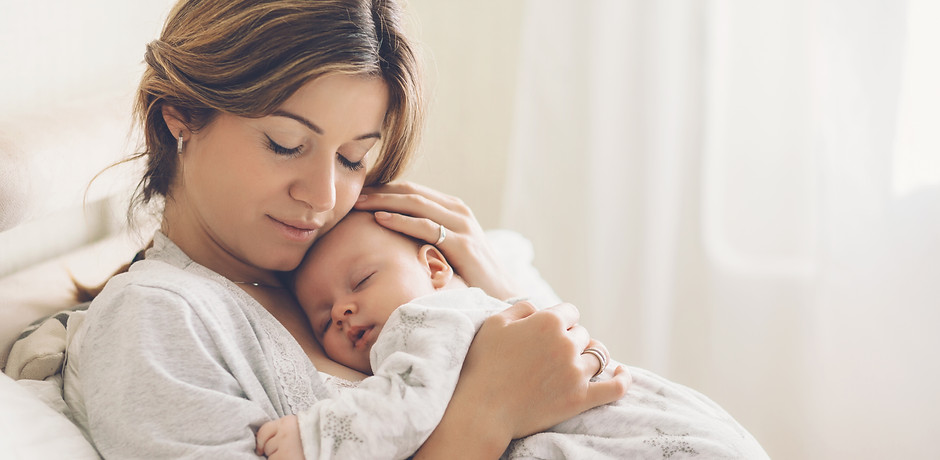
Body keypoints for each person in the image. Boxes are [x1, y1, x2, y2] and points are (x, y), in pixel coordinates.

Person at [62, 0, 631, 458]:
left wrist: (494, 291)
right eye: (286, 145)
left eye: (353, 159)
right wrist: (486, 411)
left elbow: (593, 398)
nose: (323, 197)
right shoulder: (156, 317)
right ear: (180, 112)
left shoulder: (369, 262)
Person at [255, 211, 769, 459]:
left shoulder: (428, 319)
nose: (343, 311)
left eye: (362, 282)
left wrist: (314, 436)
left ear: (436, 269)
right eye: (323, 319)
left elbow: (402, 405)